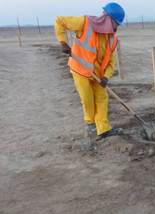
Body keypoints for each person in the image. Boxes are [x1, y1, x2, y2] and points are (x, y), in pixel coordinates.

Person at [54, 2, 125, 139]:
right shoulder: (85, 23)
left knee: (102, 98)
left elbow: (111, 62)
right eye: (116, 24)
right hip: (80, 69)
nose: (117, 28)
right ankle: (91, 126)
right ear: (108, 19)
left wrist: (106, 77)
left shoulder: (112, 39)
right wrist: (63, 42)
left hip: (97, 75)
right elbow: (59, 21)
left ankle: (103, 129)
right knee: (87, 98)